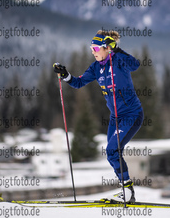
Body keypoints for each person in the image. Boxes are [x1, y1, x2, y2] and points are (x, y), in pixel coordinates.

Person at [53, 30, 144, 203]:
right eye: (91, 48)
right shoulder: (96, 67)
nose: (93, 51)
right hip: (115, 117)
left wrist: (116, 49)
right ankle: (126, 190)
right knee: (111, 154)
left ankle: (128, 192)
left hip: (132, 115)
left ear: (106, 48)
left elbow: (135, 65)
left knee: (112, 150)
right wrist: (65, 75)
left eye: (95, 48)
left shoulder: (118, 60)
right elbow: (78, 82)